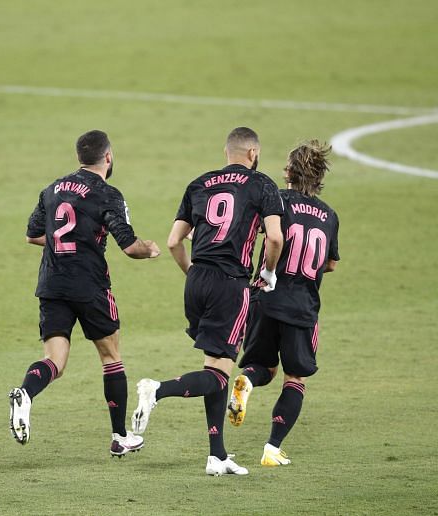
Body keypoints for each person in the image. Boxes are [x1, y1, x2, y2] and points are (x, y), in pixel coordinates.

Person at [131, 127, 284, 476]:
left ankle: (217, 455)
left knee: (217, 365)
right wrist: (270, 273)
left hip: (197, 279)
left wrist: (194, 275)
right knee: (218, 375)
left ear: (226, 151)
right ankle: (156, 390)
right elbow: (275, 237)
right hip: (230, 283)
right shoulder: (262, 185)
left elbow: (173, 242)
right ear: (253, 154)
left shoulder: (199, 183)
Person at [8, 130, 160, 457]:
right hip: (89, 284)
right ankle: (120, 437)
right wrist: (150, 250)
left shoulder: (52, 190)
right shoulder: (107, 194)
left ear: (79, 157)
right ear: (108, 157)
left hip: (51, 282)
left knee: (55, 361)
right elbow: (130, 247)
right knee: (110, 356)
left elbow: (33, 236)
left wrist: (70, 240)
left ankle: (25, 394)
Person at [228, 140, 339, 467]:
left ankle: (246, 380)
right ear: (318, 176)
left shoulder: (274, 198)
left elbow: (255, 230)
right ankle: (272, 449)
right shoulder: (329, 216)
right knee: (294, 378)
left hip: (264, 296)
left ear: (288, 172)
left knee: (264, 366)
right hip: (302, 307)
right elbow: (330, 264)